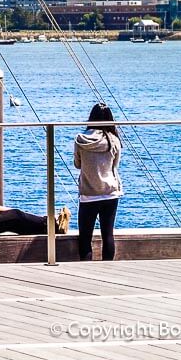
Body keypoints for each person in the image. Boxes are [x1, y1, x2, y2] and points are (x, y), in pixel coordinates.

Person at [74, 102, 123, 261]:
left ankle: (86, 269)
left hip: (89, 194)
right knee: (108, 234)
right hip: (110, 193)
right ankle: (107, 268)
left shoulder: (81, 139)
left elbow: (77, 164)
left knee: (85, 237)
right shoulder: (114, 140)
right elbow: (115, 165)